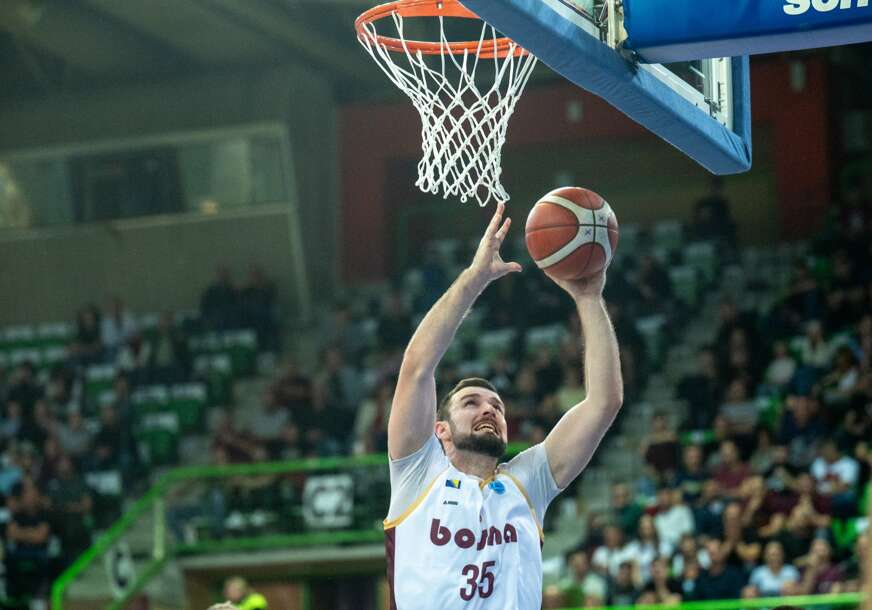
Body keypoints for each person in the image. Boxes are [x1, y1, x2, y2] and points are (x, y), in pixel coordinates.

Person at [383, 203, 623, 609]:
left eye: (497, 406)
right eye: (471, 403)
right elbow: (417, 367)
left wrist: (588, 297)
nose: (489, 410)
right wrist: (475, 278)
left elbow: (604, 402)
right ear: (440, 430)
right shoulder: (417, 473)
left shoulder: (527, 482)